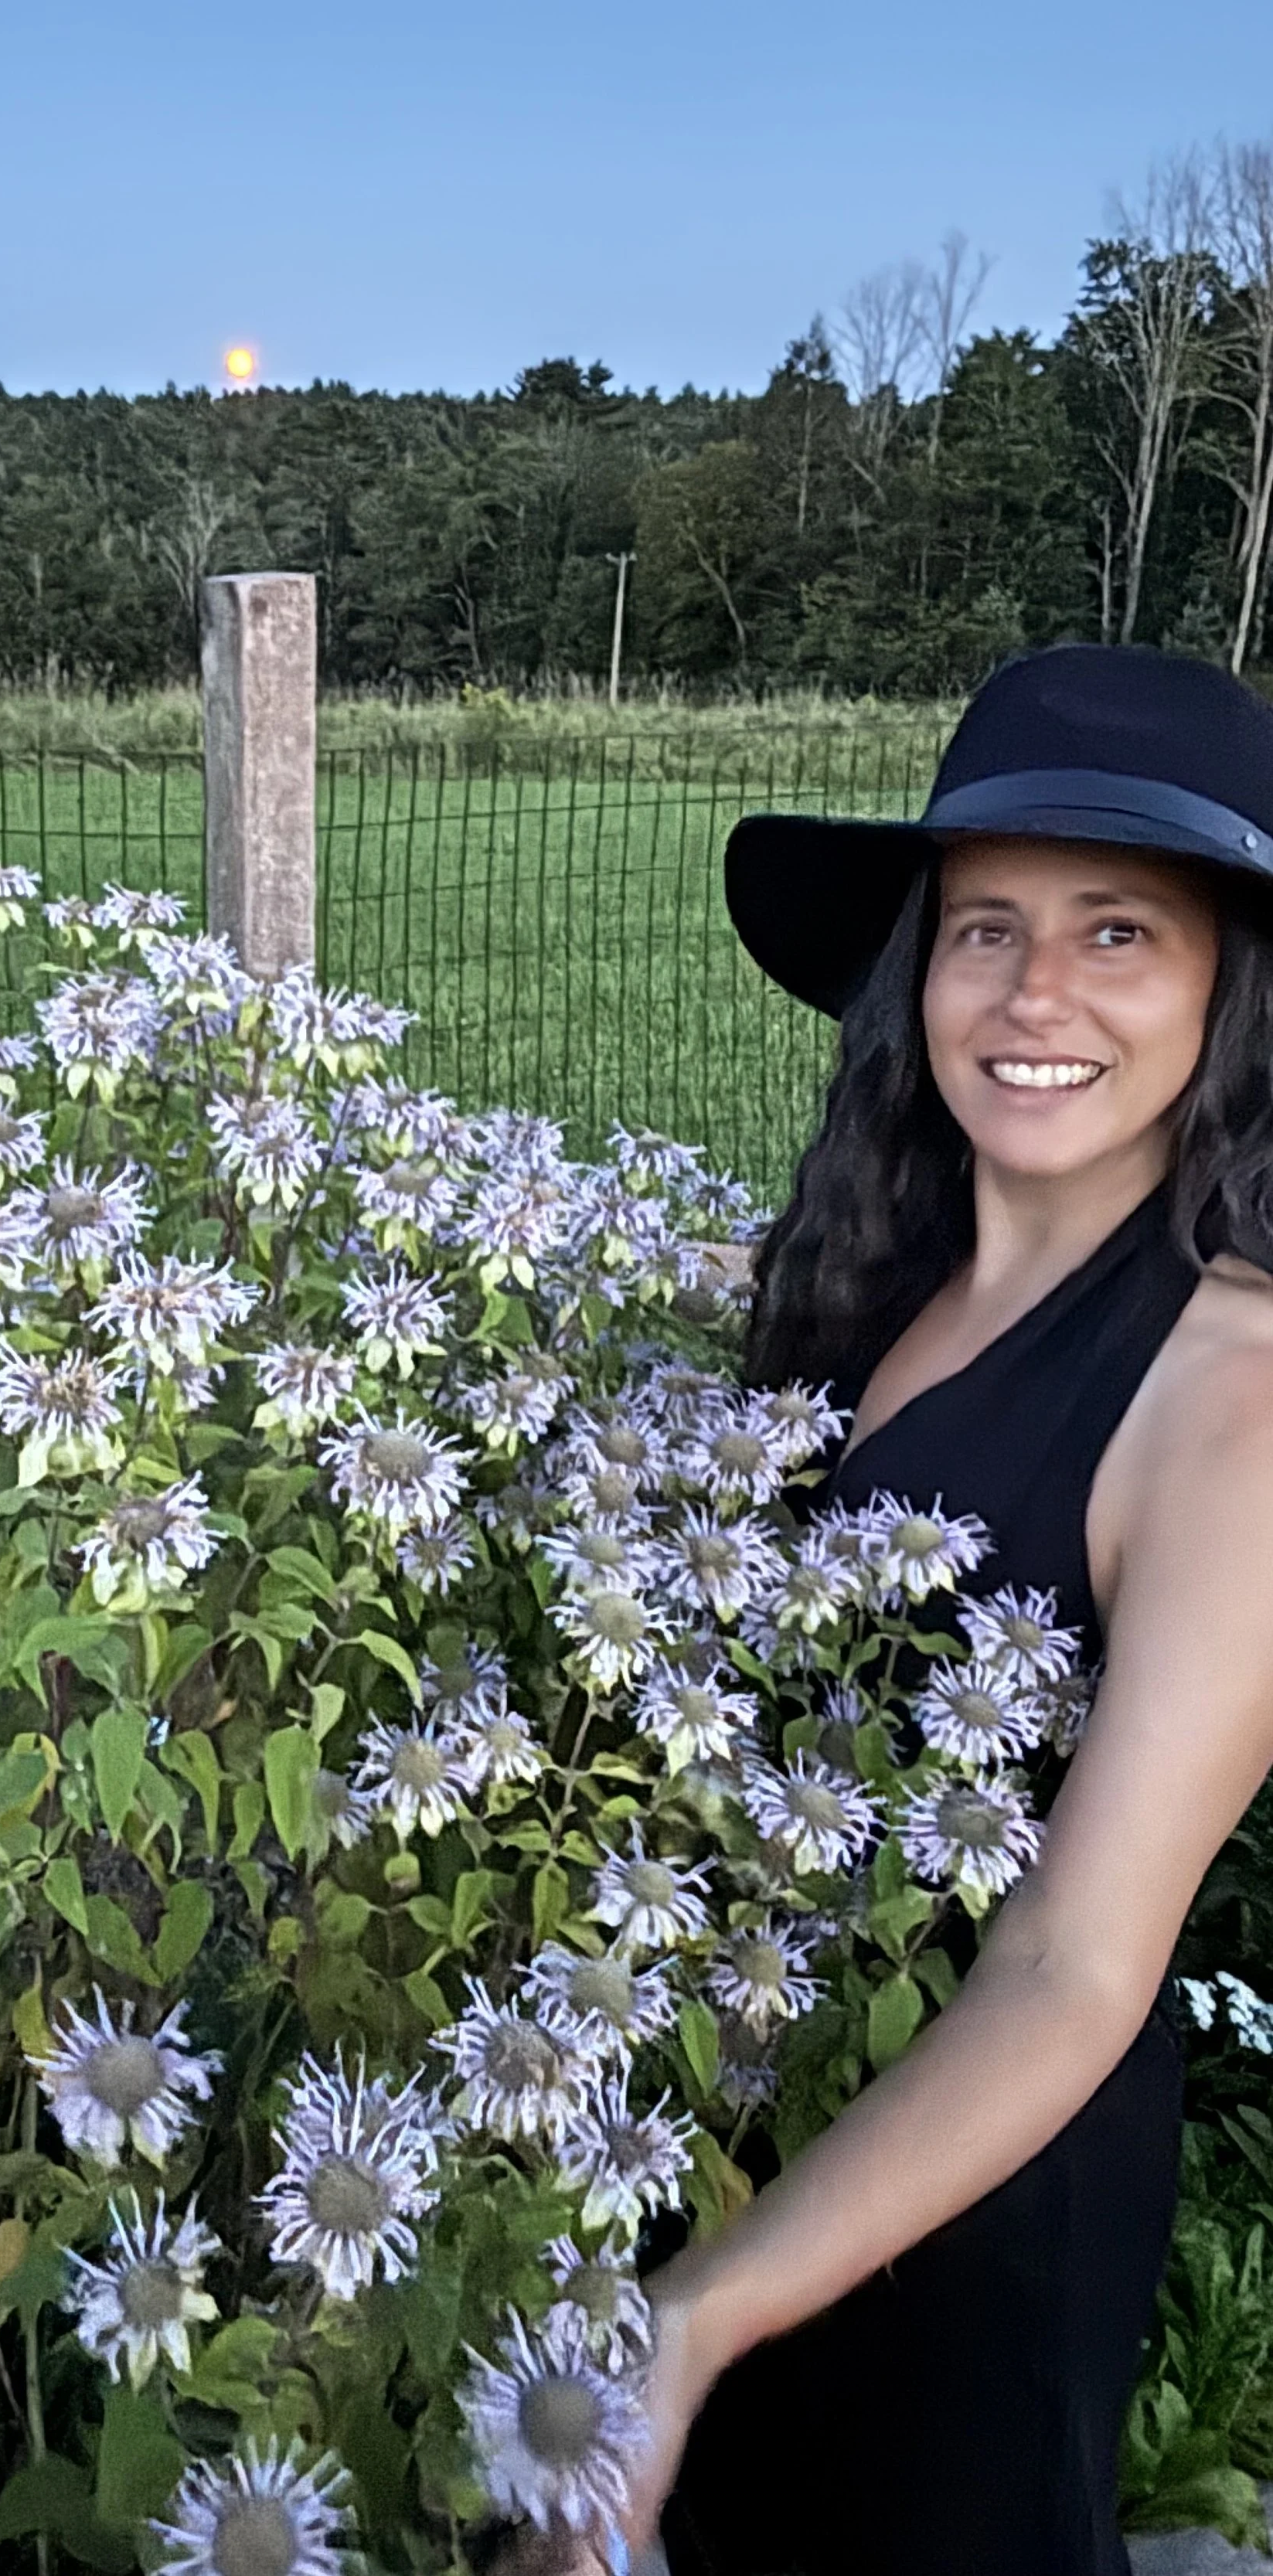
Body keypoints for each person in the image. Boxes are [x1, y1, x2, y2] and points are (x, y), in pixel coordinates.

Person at [577, 644, 1273, 2576]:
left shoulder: (1232, 1394)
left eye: (1116, 930)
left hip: (961, 2213)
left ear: (1227, 990)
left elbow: (1073, 1962)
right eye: (984, 930)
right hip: (709, 2122)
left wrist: (699, 2314)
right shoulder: (862, 1273)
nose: (1033, 996)